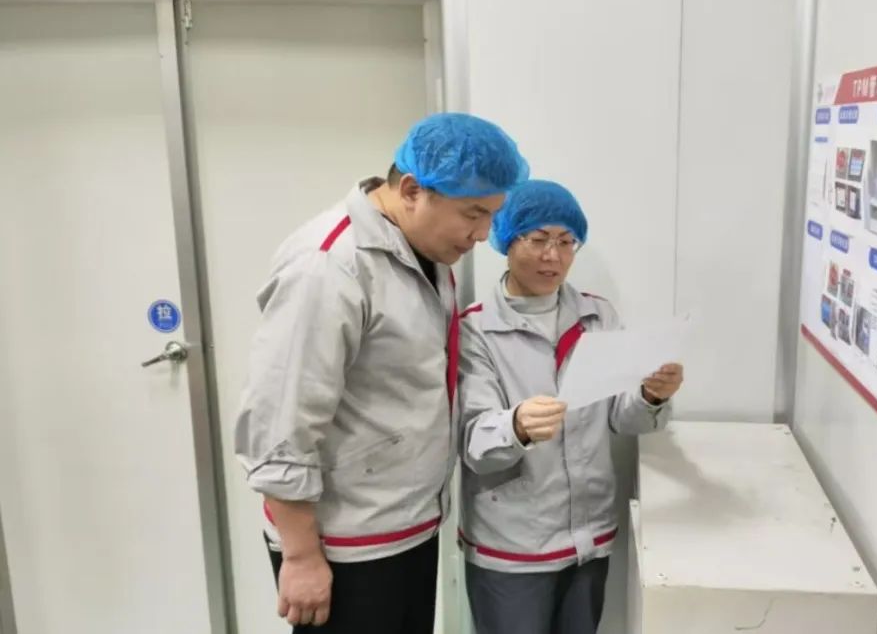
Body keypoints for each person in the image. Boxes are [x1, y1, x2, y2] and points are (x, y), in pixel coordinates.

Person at [233, 112, 529, 633]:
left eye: (492, 215)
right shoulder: (331, 266)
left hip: (405, 526)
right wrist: (301, 556)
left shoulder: (426, 253)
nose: (483, 234)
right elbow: (279, 422)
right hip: (342, 546)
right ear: (412, 190)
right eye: (473, 214)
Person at [456, 179, 685, 634]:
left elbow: (621, 418)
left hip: (588, 537)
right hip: (513, 546)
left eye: (566, 241)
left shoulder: (597, 316)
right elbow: (474, 444)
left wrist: (651, 395)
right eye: (538, 239)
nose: (553, 256)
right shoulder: (476, 329)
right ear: (506, 239)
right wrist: (516, 426)